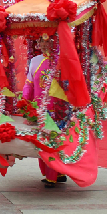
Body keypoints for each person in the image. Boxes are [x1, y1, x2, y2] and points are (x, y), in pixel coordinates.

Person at [22, 36, 66, 188]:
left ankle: (55, 174)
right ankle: (53, 172)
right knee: (43, 141)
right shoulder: (35, 60)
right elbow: (29, 84)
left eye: (47, 41)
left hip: (58, 108)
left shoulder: (61, 60)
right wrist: (25, 102)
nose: (43, 44)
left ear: (54, 42)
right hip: (39, 107)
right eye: (40, 41)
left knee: (55, 140)